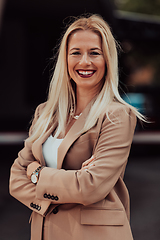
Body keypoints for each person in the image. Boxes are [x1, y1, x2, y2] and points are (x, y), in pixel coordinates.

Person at [9, 14, 144, 240]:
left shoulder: (117, 116)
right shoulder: (45, 113)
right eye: (76, 53)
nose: (85, 62)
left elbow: (90, 186)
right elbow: (15, 179)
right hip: (45, 232)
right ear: (65, 59)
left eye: (94, 53)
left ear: (107, 60)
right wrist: (70, 183)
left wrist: (37, 173)